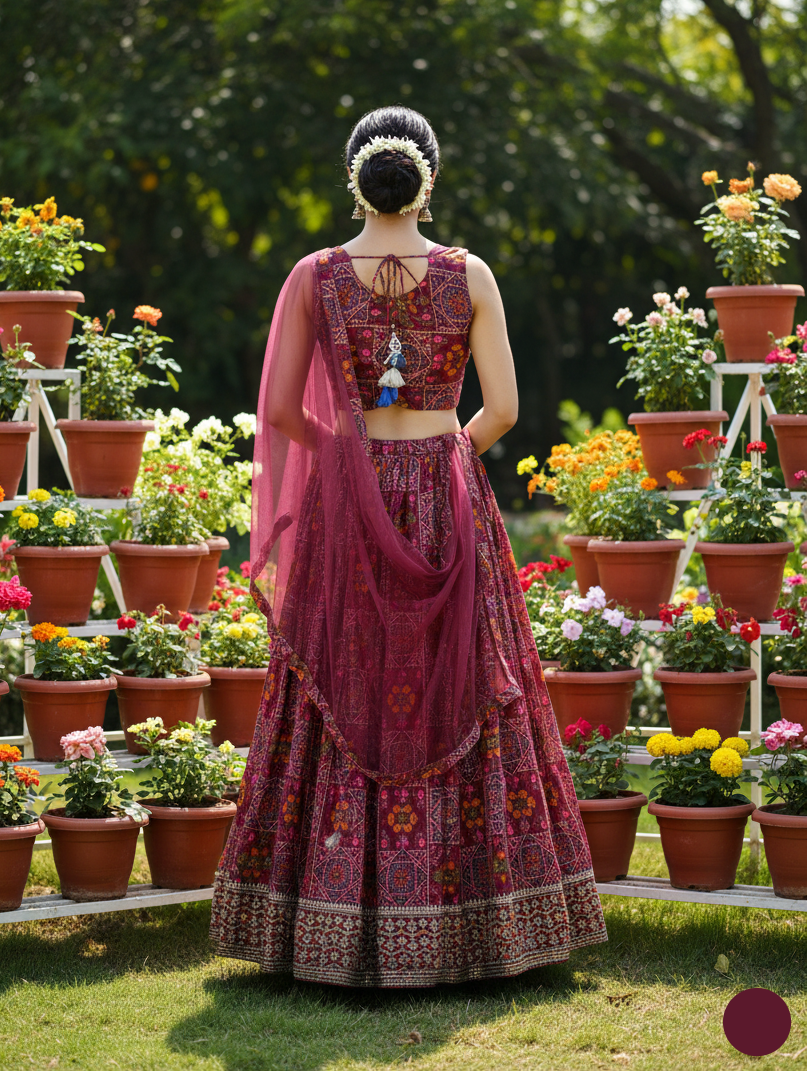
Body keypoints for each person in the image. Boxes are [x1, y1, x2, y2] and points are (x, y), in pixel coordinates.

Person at [209, 105, 607, 986]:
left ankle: (316, 930)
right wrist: (445, 454)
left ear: (354, 175)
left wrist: (349, 455)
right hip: (447, 493)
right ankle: (490, 929)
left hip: (347, 502)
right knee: (469, 679)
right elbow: (500, 409)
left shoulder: (314, 277)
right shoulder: (469, 276)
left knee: (337, 678)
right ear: (429, 178)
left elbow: (279, 416)